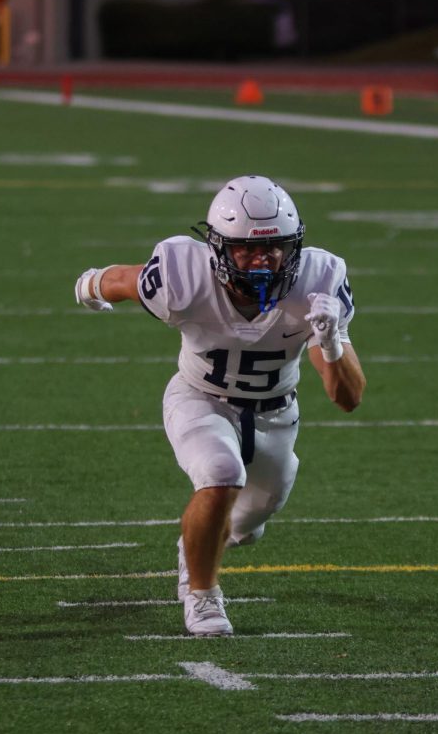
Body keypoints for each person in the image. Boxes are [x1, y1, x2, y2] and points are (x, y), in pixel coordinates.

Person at [74, 175, 367, 636]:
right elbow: (127, 280)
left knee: (249, 519)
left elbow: (347, 398)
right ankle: (203, 596)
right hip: (199, 398)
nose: (262, 260)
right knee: (220, 472)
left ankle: (202, 540)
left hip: (276, 414)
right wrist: (90, 285)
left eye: (274, 248)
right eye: (247, 249)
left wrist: (330, 341)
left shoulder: (319, 281)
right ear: (216, 250)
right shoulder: (181, 277)